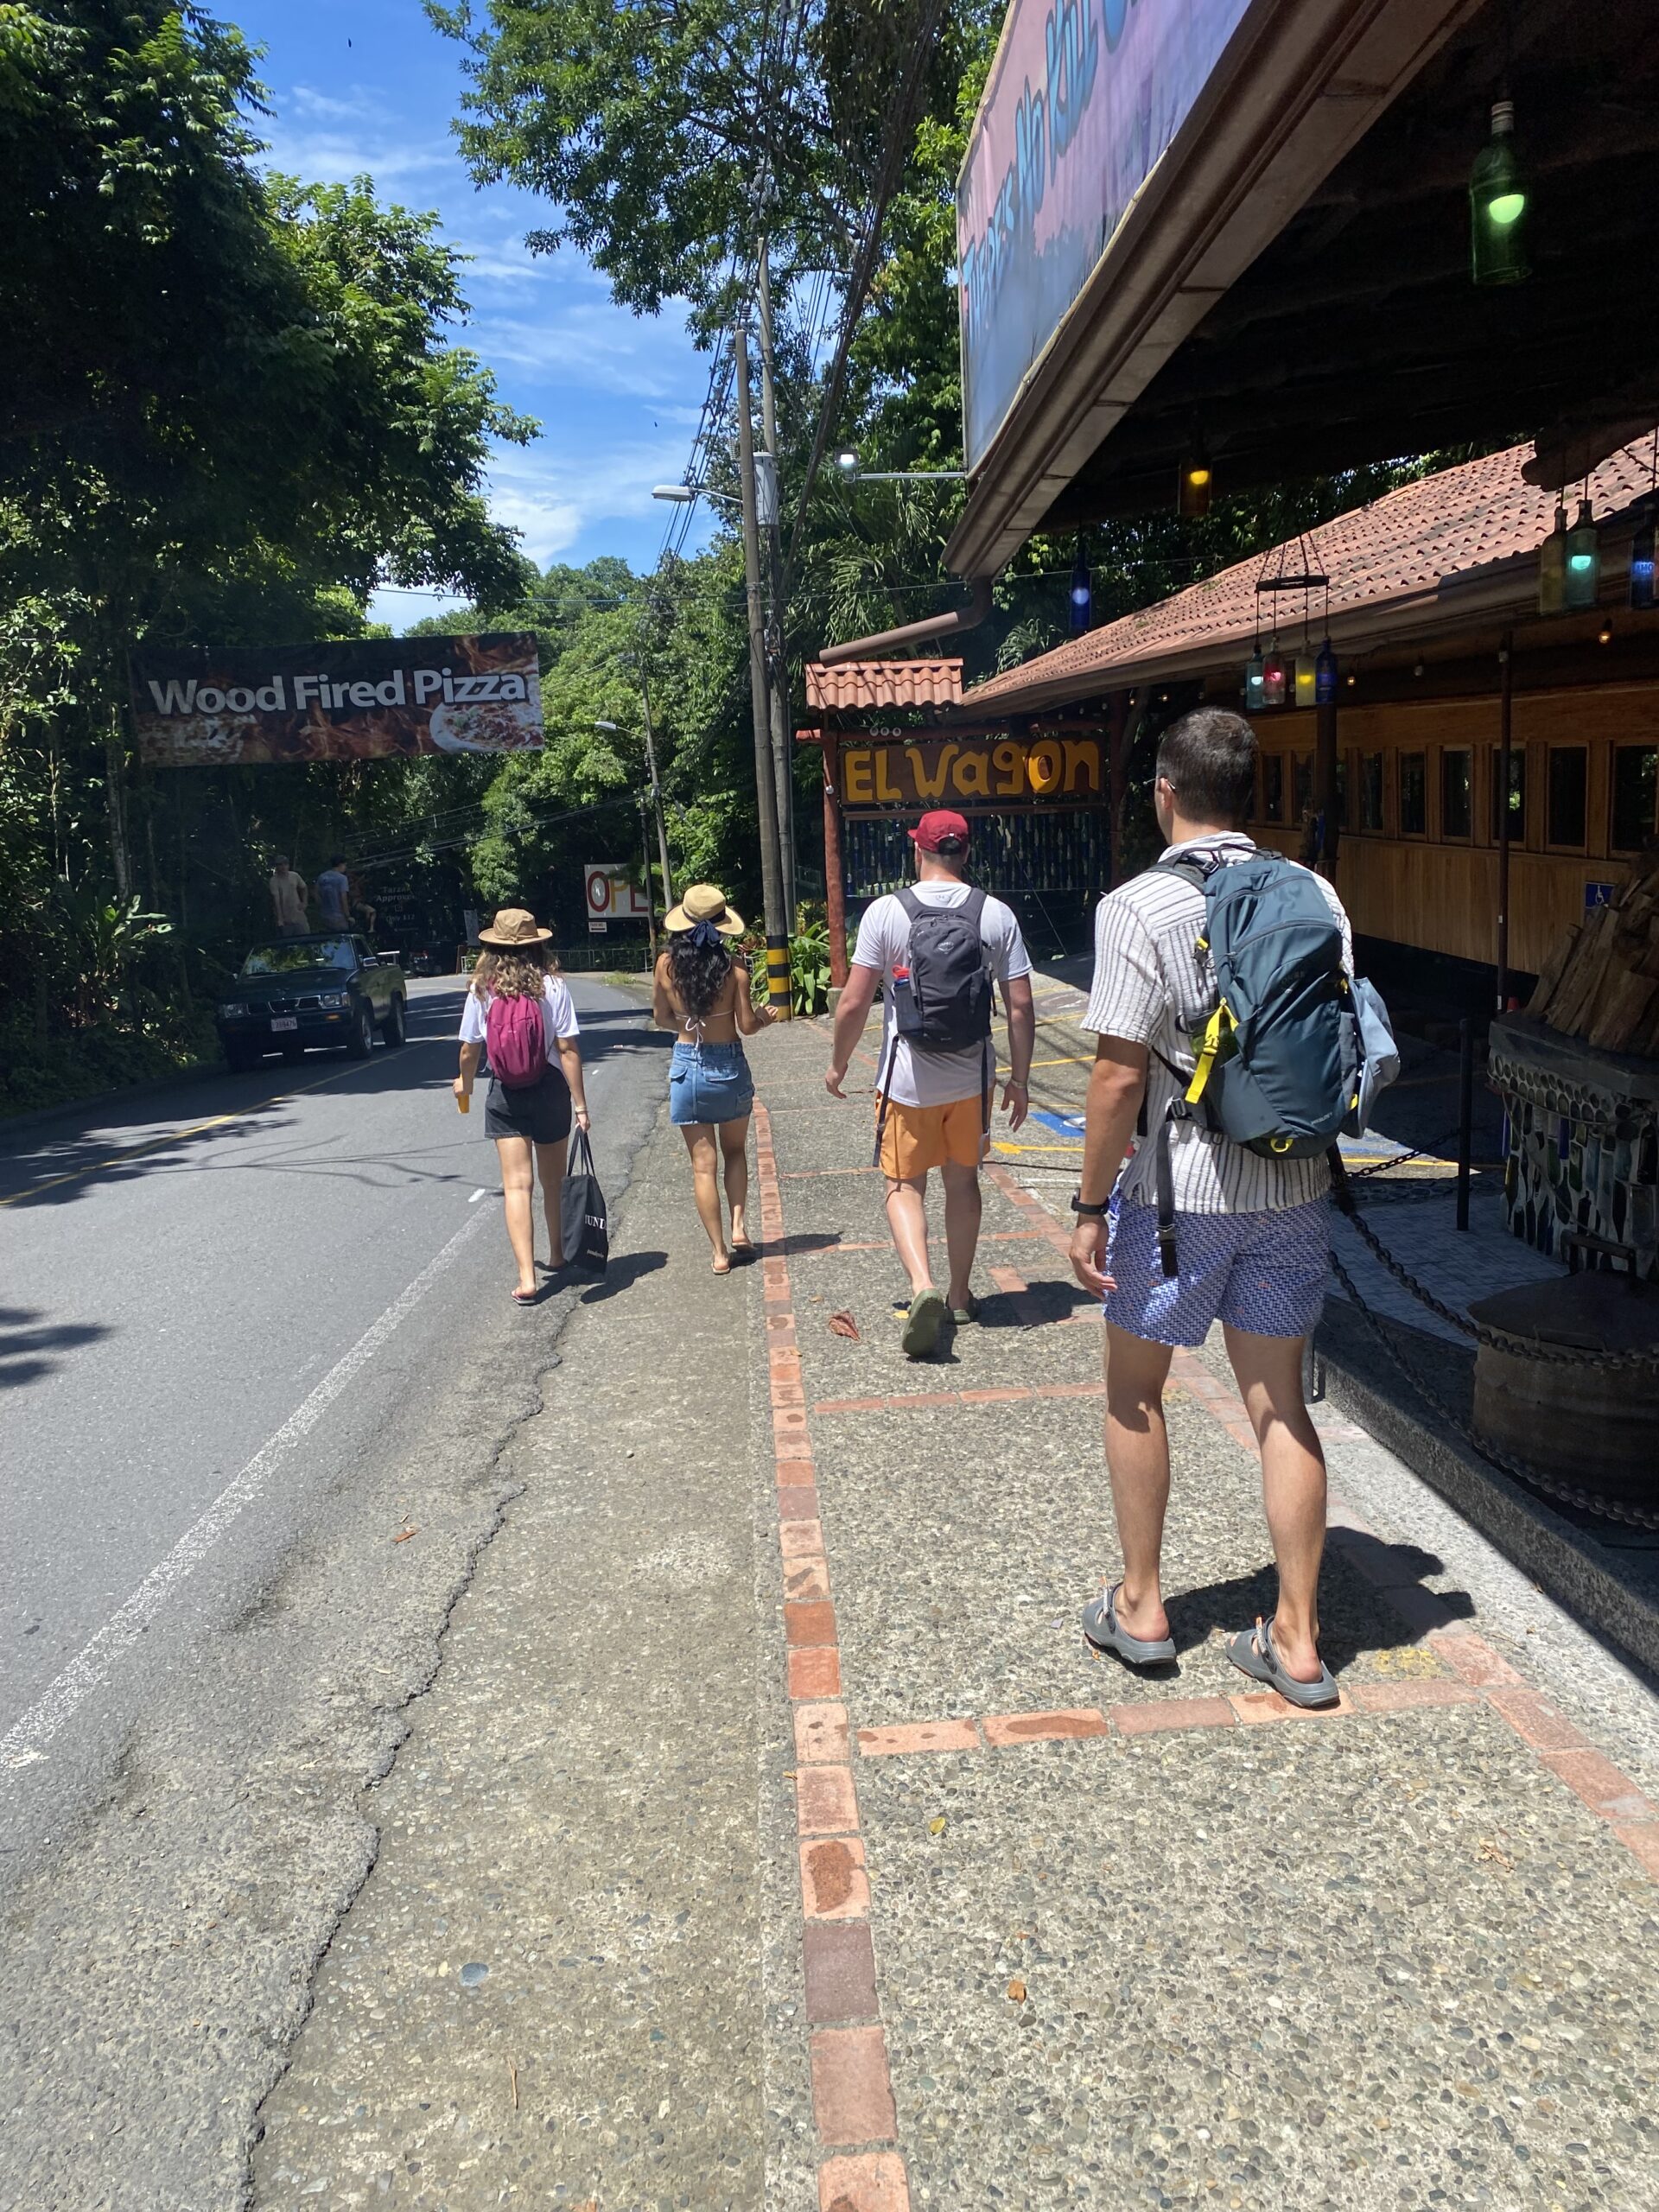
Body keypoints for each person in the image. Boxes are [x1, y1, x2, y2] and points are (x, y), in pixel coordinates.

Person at [1068, 708, 1352, 1707]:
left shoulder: (1136, 906)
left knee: (1135, 1391)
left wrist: (1089, 1204)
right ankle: (1298, 1639)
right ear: (1247, 792)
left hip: (1176, 1196)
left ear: (1164, 791)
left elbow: (1116, 1079)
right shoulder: (1314, 890)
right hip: (1293, 1184)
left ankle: (1143, 1606)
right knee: (1279, 1404)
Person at [826, 809, 1034, 1358]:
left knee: (902, 1185)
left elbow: (854, 1001)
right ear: (965, 853)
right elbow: (1019, 1005)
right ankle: (961, 1296)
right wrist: (1020, 1080)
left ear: (917, 850)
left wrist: (838, 1064)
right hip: (972, 1081)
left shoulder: (886, 912)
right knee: (963, 1184)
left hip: (906, 1082)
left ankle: (923, 1286)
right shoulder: (995, 914)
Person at [454, 908, 590, 1305]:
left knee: (517, 1185)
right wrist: (580, 1105)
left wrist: (465, 1083)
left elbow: (469, 1049)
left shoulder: (482, 989)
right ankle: (558, 1254)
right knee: (553, 1181)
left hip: (505, 1092)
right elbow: (567, 1048)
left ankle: (528, 1278)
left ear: (492, 947)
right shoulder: (553, 986)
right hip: (549, 1088)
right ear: (537, 945)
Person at [652, 884, 776, 1274]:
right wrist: (765, 1018)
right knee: (735, 1151)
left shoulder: (665, 965)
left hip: (686, 1066)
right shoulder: (735, 967)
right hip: (728, 1066)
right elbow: (747, 1025)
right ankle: (739, 1226)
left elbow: (660, 1017)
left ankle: (720, 1253)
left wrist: (686, 1023)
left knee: (702, 1166)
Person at [268, 857, 309, 938]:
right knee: (286, 941)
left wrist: (304, 902)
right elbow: (276, 900)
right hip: (285, 920)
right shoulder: (274, 881)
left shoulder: (294, 876)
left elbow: (304, 887)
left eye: (285, 864)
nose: (283, 867)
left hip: (299, 916)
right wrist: (280, 919)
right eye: (280, 865)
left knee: (305, 939)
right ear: (277, 866)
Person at [315, 855, 353, 931]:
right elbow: (343, 898)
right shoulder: (342, 878)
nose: (345, 867)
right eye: (345, 865)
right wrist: (348, 915)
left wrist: (321, 907)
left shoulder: (322, 877)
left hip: (325, 915)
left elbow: (316, 894)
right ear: (340, 865)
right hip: (339, 916)